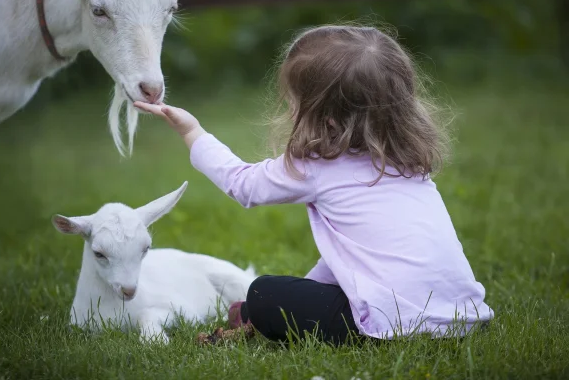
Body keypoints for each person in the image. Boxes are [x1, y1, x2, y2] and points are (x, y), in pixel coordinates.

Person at [136, 25, 493, 345]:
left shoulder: (318, 166)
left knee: (263, 293)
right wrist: (306, 289)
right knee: (279, 294)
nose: (289, 110)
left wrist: (192, 132)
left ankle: (258, 315)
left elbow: (242, 184)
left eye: (294, 102)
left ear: (327, 117)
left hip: (395, 325)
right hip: (462, 317)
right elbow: (351, 258)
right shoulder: (410, 166)